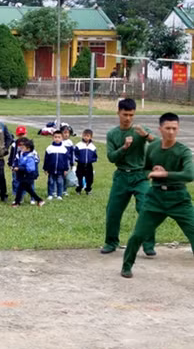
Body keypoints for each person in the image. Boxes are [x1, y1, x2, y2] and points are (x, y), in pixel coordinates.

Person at [121, 113, 194, 278]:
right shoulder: (153, 147)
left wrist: (165, 174)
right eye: (167, 128)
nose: (171, 132)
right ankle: (126, 266)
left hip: (179, 199)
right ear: (160, 129)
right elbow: (144, 169)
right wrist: (151, 172)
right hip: (156, 198)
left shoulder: (183, 151)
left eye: (174, 128)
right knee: (138, 235)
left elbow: (190, 175)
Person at [102, 98, 156, 255]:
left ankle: (148, 244)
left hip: (140, 176)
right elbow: (111, 157)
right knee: (113, 210)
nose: (128, 118)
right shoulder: (112, 134)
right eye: (125, 114)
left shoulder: (140, 130)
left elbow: (159, 144)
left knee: (145, 208)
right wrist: (124, 147)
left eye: (131, 115)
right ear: (118, 113)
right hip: (121, 176)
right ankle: (111, 242)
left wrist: (146, 135)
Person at [11, 139, 45, 207]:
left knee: (20, 189)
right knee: (28, 190)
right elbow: (17, 162)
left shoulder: (30, 157)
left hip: (28, 176)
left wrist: (19, 168)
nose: (21, 147)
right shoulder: (22, 154)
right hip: (23, 176)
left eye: (23, 147)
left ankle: (17, 203)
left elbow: (30, 169)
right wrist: (15, 166)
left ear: (28, 148)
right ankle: (39, 200)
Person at [44, 131, 70, 200]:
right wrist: (45, 168)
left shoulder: (64, 149)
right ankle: (50, 194)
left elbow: (66, 160)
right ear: (52, 138)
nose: (57, 139)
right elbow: (46, 159)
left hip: (60, 170)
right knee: (51, 182)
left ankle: (59, 195)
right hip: (51, 169)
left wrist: (66, 169)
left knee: (60, 182)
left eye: (59, 137)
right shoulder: (49, 148)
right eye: (55, 137)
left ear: (62, 138)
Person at [74, 129, 97, 195]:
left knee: (90, 179)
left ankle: (88, 190)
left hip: (89, 165)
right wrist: (78, 159)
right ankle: (78, 190)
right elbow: (75, 154)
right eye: (84, 136)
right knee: (79, 178)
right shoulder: (78, 145)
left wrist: (92, 160)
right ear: (82, 136)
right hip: (80, 164)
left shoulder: (93, 147)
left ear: (91, 137)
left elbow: (95, 156)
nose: (86, 137)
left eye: (87, 136)